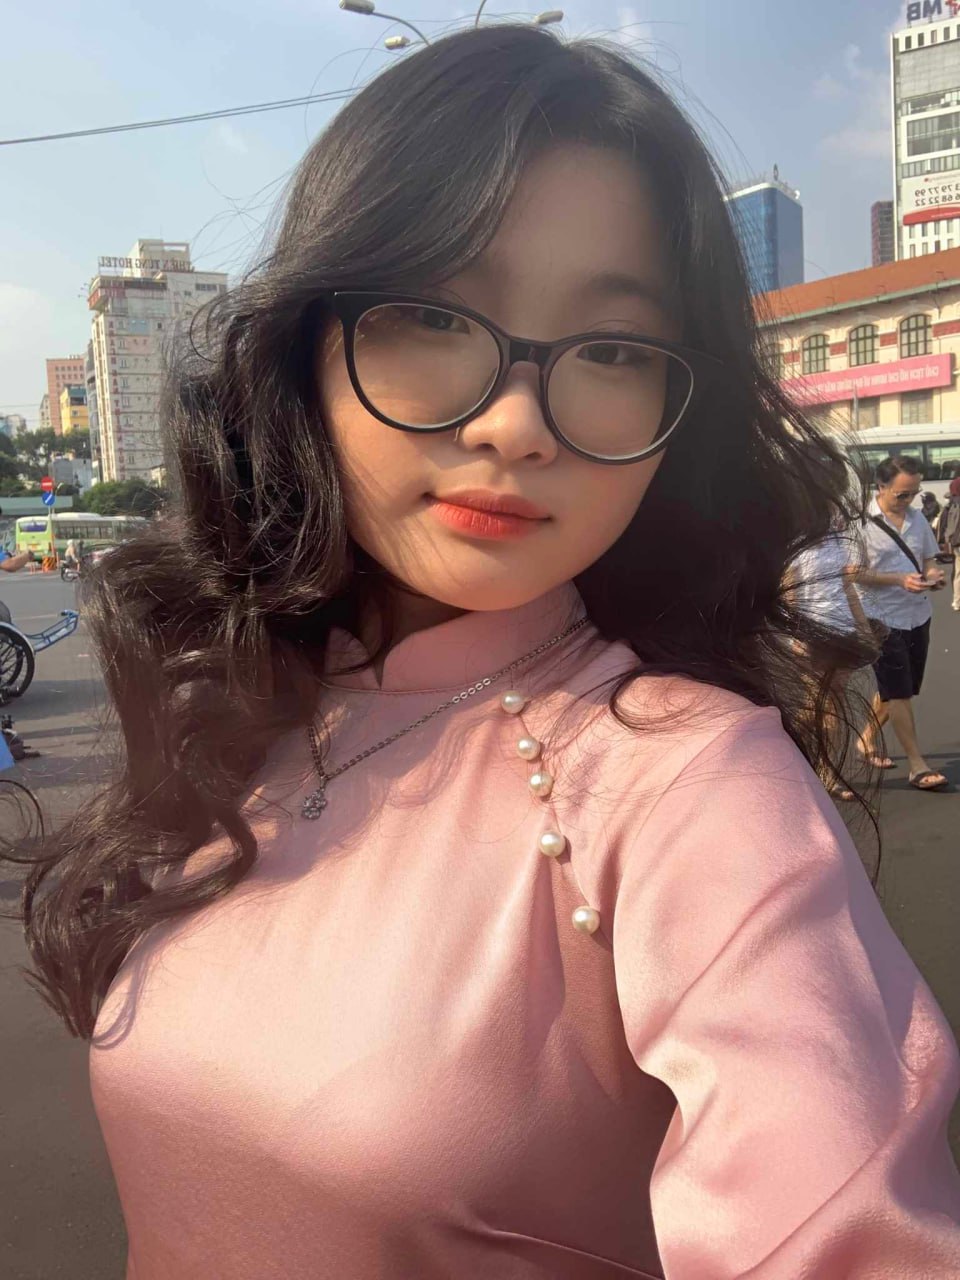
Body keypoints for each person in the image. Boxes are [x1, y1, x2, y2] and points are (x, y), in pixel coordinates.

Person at [9, 27, 960, 1280]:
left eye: (613, 348)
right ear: (306, 346)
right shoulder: (233, 699)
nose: (514, 424)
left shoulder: (687, 788)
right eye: (430, 314)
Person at [854, 456, 948, 791]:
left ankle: (866, 738)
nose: (909, 500)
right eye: (902, 494)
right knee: (899, 692)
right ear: (880, 487)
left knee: (901, 687)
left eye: (914, 493)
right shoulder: (860, 523)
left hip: (917, 613)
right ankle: (917, 765)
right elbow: (853, 572)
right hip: (880, 616)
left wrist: (933, 576)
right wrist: (898, 579)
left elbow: (928, 559)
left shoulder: (917, 518)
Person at [937, 475, 960, 612]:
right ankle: (957, 600)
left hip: (955, 542)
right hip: (958, 541)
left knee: (957, 572)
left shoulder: (951, 504)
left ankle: (957, 600)